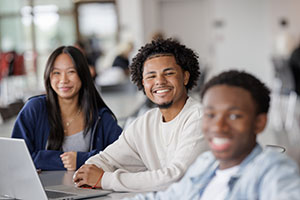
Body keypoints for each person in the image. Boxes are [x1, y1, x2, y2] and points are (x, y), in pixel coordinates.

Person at [128, 70, 300, 200]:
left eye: (234, 116)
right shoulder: (207, 163)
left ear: (259, 123)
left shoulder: (273, 172)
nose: (218, 126)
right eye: (210, 115)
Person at [73, 38, 208, 192]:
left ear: (185, 77)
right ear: (143, 83)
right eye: (151, 76)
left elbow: (177, 177)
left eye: (168, 73)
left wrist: (104, 179)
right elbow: (107, 159)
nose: (160, 81)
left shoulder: (199, 117)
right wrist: (87, 172)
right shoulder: (144, 123)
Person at [11, 46, 122, 171]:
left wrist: (81, 159)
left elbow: (122, 156)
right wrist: (63, 161)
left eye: (71, 72)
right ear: (49, 76)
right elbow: (16, 158)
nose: (63, 80)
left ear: (83, 75)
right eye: (56, 73)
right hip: (39, 190)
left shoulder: (101, 118)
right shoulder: (34, 109)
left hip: (87, 190)